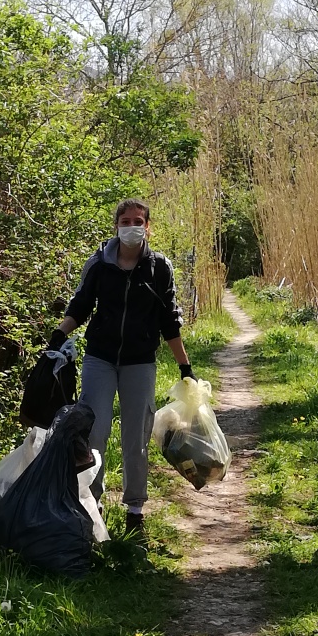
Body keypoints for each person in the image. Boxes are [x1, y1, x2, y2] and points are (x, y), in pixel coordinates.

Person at [47, 198, 196, 534]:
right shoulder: (99, 264)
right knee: (93, 432)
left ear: (148, 227)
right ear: (116, 226)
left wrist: (184, 367)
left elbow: (169, 321)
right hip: (100, 359)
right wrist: (58, 334)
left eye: (138, 221)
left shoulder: (159, 268)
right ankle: (91, 505)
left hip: (139, 362)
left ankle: (135, 511)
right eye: (126, 221)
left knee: (137, 437)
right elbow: (81, 305)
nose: (132, 227)